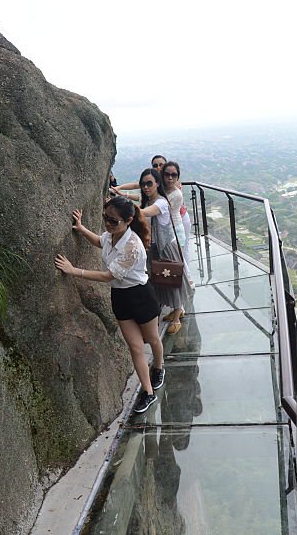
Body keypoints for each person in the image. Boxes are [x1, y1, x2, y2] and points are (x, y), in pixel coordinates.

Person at [54, 195, 165, 413]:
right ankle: (148, 392)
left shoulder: (132, 246)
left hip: (141, 296)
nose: (107, 224)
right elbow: (100, 241)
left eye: (113, 221)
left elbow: (108, 276)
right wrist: (81, 228)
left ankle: (159, 367)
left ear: (129, 220)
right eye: (106, 218)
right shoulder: (111, 235)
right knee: (135, 347)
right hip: (120, 297)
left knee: (152, 338)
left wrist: (73, 270)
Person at [136, 168, 188, 333]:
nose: (146, 187)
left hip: (166, 248)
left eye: (149, 183)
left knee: (173, 281)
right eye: (143, 184)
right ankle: (173, 311)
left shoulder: (161, 202)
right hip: (155, 249)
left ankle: (177, 317)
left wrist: (125, 209)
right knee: (161, 283)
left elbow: (146, 213)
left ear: (157, 183)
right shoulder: (148, 201)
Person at [160, 161, 194, 287]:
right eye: (167, 174)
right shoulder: (163, 189)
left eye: (174, 175)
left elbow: (161, 209)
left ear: (178, 177)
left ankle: (187, 283)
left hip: (175, 228)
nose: (170, 178)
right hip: (168, 228)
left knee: (179, 257)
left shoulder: (176, 194)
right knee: (177, 257)